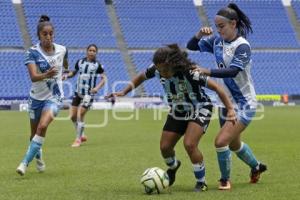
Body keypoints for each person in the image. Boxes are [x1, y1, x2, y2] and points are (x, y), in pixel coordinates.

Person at [106, 44, 236, 191]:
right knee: (165, 147)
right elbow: (141, 77)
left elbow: (218, 88)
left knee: (189, 144)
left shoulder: (190, 72)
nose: (163, 73)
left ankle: (201, 182)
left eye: (166, 70)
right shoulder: (156, 69)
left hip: (200, 108)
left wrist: (230, 109)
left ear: (174, 64)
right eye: (160, 70)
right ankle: (173, 167)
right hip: (178, 111)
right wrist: (124, 91)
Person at [187, 3, 267, 190]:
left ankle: (224, 180)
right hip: (225, 103)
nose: (218, 30)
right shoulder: (216, 41)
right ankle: (257, 167)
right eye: (216, 27)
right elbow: (191, 46)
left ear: (233, 23)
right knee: (233, 144)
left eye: (221, 26)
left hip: (244, 103)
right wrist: (199, 34)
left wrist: (206, 71)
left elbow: (232, 71)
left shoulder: (243, 46)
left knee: (221, 141)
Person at [16, 15, 69, 175]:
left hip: (54, 97)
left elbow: (65, 62)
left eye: (51, 33)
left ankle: (24, 163)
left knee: (43, 126)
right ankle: (38, 157)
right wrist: (47, 74)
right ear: (39, 35)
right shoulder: (32, 53)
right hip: (35, 98)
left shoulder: (62, 49)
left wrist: (65, 72)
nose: (48, 37)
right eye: (45, 34)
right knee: (34, 134)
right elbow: (33, 77)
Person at [64, 44, 107, 147]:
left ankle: (78, 140)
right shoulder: (80, 62)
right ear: (86, 51)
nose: (92, 52)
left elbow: (104, 78)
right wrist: (66, 76)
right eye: (90, 50)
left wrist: (96, 88)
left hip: (88, 94)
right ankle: (82, 134)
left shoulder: (98, 65)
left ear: (96, 53)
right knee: (73, 116)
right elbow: (73, 73)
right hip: (78, 92)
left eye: (94, 51)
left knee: (80, 115)